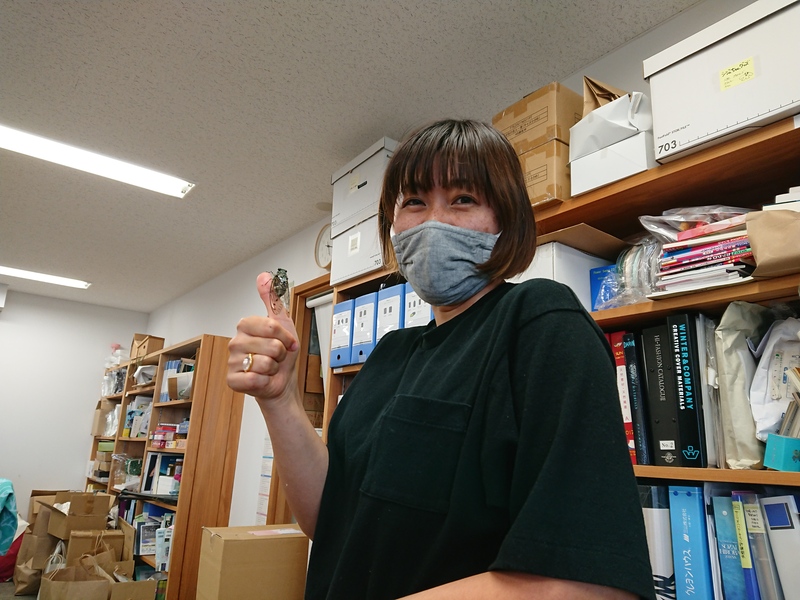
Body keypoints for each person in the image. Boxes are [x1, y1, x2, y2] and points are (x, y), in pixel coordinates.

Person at [228, 119, 655, 600]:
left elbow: (587, 582)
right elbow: (329, 521)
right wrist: (279, 398)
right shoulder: (389, 352)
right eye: (414, 202)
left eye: (463, 199)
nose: (433, 222)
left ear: (507, 221)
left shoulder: (538, 321)